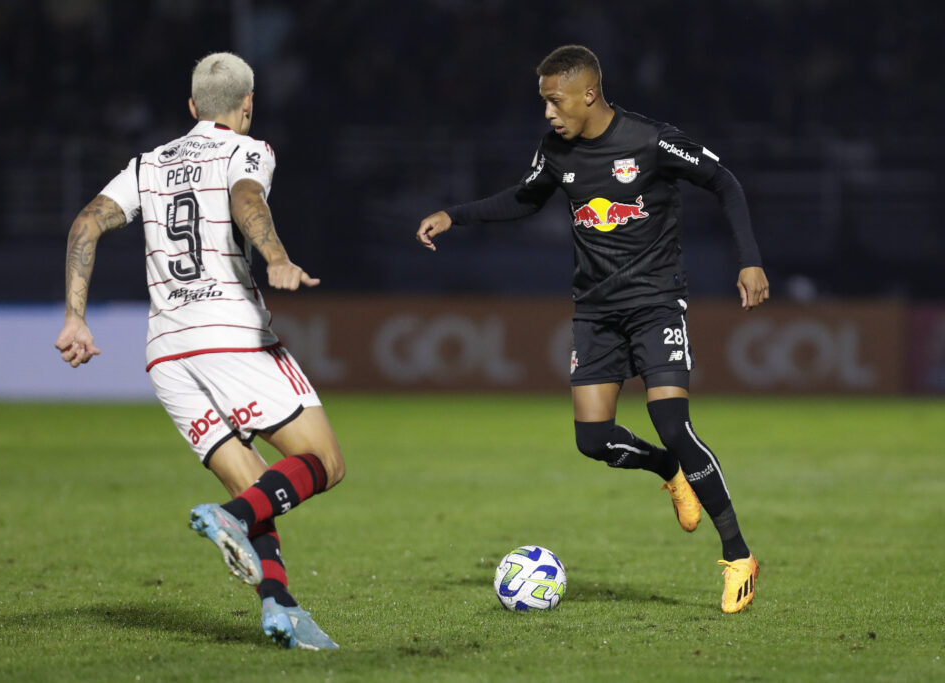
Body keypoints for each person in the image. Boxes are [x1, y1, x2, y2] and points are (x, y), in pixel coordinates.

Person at [417, 45, 769, 614]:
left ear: (587, 93)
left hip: (656, 304)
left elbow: (725, 181)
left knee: (671, 421)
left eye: (554, 101)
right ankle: (665, 468)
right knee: (592, 439)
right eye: (543, 103)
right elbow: (524, 199)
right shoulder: (556, 150)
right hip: (596, 311)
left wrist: (749, 260)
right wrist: (455, 214)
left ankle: (738, 556)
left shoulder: (651, 141)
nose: (549, 113)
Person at [54, 52, 344, 648]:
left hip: (166, 352)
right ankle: (231, 521)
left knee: (253, 488)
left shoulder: (147, 163)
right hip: (231, 334)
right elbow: (245, 199)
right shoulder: (248, 149)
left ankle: (280, 609)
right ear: (247, 106)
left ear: (191, 107)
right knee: (324, 461)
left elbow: (86, 222)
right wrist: (277, 257)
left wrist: (75, 318)